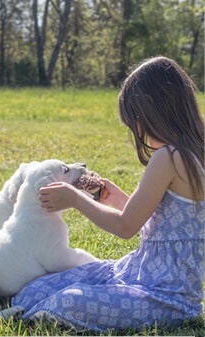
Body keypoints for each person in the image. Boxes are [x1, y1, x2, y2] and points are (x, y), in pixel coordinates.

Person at [11, 56, 204, 332]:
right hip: (135, 272)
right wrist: (110, 196)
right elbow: (159, 225)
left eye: (135, 121)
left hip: (163, 299)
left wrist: (75, 199)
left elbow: (125, 227)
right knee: (39, 288)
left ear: (152, 109)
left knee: (67, 301)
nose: (137, 130)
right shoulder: (195, 151)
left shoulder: (168, 157)